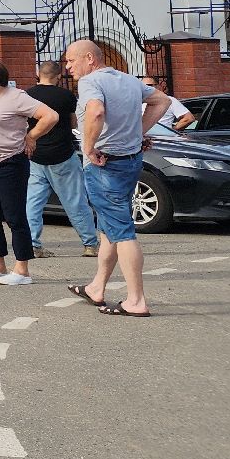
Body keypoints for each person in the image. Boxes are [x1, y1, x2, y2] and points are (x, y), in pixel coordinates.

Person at [66, 40, 170, 317]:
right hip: (130, 161)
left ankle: (136, 300)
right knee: (109, 227)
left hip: (105, 165)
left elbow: (96, 112)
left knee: (122, 231)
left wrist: (88, 147)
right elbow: (162, 101)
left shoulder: (90, 82)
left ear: (89, 58)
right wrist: (137, 132)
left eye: (71, 61)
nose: (68, 67)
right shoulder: (128, 80)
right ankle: (97, 287)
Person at [0, 61, 58, 286]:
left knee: (14, 216)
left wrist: (31, 136)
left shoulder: (17, 97)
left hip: (9, 164)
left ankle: (22, 269)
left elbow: (50, 116)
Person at [26, 62, 96, 258]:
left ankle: (32, 244)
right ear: (58, 76)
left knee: (33, 202)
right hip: (62, 154)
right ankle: (90, 244)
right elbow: (74, 122)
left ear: (38, 75)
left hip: (36, 154)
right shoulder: (66, 96)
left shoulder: (27, 95)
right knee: (75, 200)